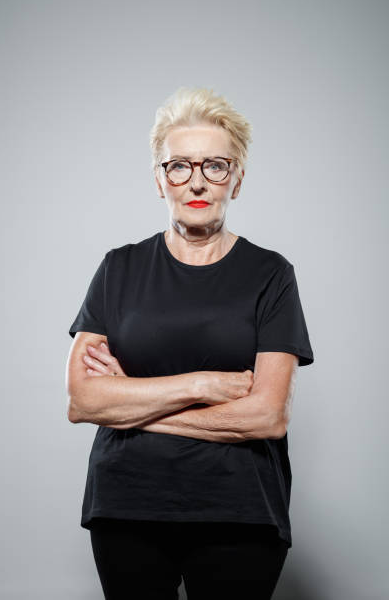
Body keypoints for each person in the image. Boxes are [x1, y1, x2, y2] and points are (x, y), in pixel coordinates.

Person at [66, 86, 315, 600]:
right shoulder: (119, 268)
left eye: (216, 166)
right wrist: (202, 384)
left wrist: (132, 404)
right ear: (160, 180)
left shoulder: (270, 274)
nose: (196, 181)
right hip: (126, 505)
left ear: (237, 180)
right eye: (178, 165)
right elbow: (83, 400)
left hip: (241, 511)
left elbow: (267, 416)